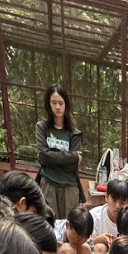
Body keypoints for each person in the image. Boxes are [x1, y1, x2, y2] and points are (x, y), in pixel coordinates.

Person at [35, 83, 82, 218]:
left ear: (66, 104)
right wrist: (71, 156)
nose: (57, 107)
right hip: (48, 183)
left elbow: (74, 164)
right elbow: (43, 156)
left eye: (61, 103)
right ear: (48, 104)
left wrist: (51, 156)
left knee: (70, 225)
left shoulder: (74, 133)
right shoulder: (42, 127)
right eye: (53, 102)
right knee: (49, 222)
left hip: (69, 185)